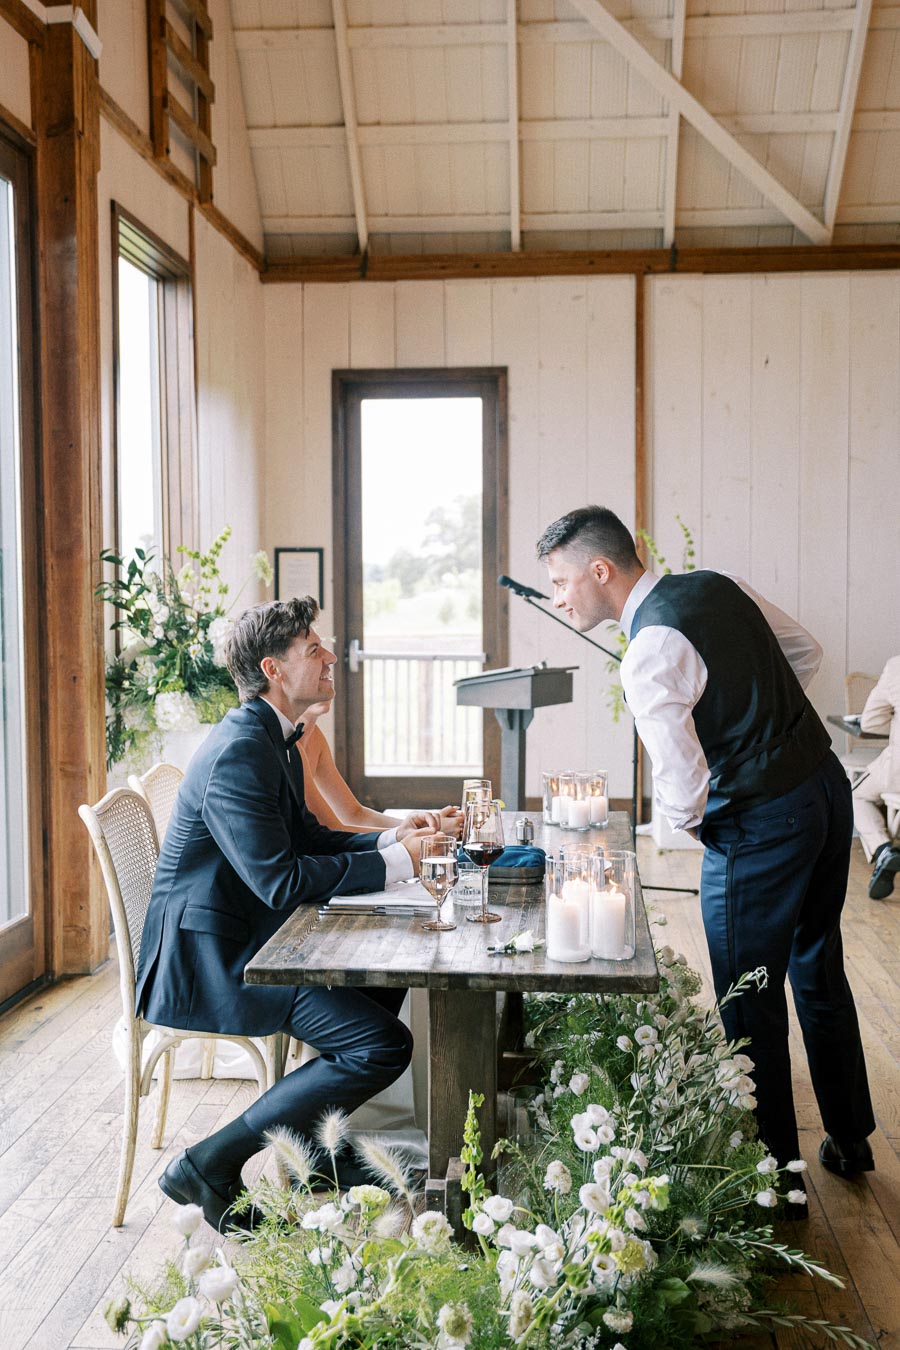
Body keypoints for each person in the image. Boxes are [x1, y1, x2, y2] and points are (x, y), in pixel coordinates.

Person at [536, 505, 875, 1183]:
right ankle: (850, 1139)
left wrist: (721, 811)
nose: (557, 596)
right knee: (818, 963)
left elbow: (684, 790)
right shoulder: (721, 585)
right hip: (826, 789)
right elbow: (804, 650)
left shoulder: (649, 653)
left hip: (759, 827)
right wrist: (762, 729)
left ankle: (777, 1177)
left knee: (747, 999)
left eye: (560, 581)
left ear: (600, 571)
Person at [135, 596, 438, 1231]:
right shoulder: (241, 751)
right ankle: (208, 1162)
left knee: (385, 976)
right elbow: (281, 881)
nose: (330, 656)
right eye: (313, 650)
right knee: (380, 1044)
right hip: (216, 959)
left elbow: (304, 837)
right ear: (274, 669)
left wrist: (392, 845)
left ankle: (316, 1156)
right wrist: (401, 865)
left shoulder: (268, 735)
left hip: (249, 935)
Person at [297, 698, 463, 837]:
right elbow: (332, 832)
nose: (326, 678)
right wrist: (431, 831)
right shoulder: (284, 746)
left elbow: (353, 815)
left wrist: (426, 826)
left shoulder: (314, 736)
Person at [852, 655, 900, 899]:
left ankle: (883, 849)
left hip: (897, 771)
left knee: (856, 795)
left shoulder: (896, 666)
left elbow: (871, 722)